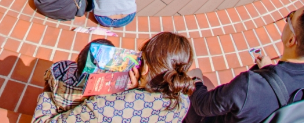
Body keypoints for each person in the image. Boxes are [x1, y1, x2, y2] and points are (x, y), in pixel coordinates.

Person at [184, 0, 304, 123]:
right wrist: (270, 72)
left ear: (291, 40)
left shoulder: (249, 86)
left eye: (291, 16)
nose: (288, 18)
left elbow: (203, 105)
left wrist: (195, 80)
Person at [34, 32, 195, 123]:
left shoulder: (103, 106)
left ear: (145, 69)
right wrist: (137, 89)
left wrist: (49, 91)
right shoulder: (183, 100)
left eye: (140, 58)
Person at [41, 38, 115, 113]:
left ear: (78, 59)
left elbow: (47, 76)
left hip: (58, 103)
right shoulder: (102, 93)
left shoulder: (60, 68)